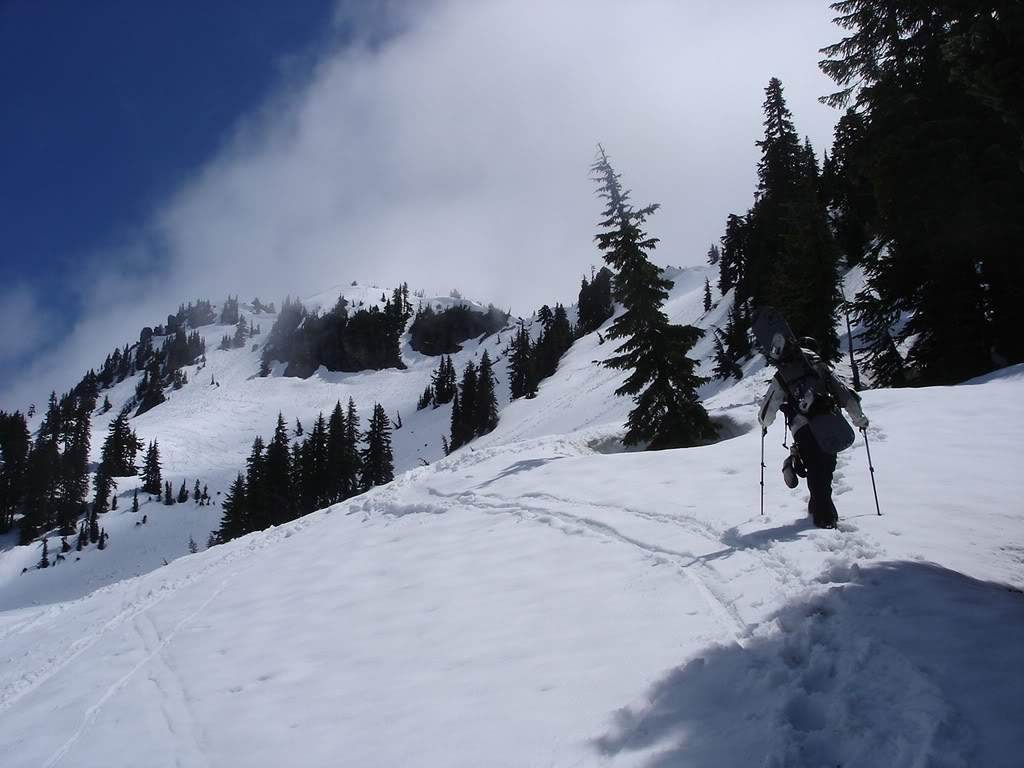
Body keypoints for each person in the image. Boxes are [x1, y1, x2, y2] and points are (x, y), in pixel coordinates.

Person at [758, 334, 868, 528]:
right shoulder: (823, 369)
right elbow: (846, 395)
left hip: (802, 428)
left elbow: (771, 403)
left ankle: (823, 516)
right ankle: (822, 512)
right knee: (826, 469)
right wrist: (860, 420)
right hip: (829, 423)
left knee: (815, 468)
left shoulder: (786, 372)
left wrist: (764, 422)